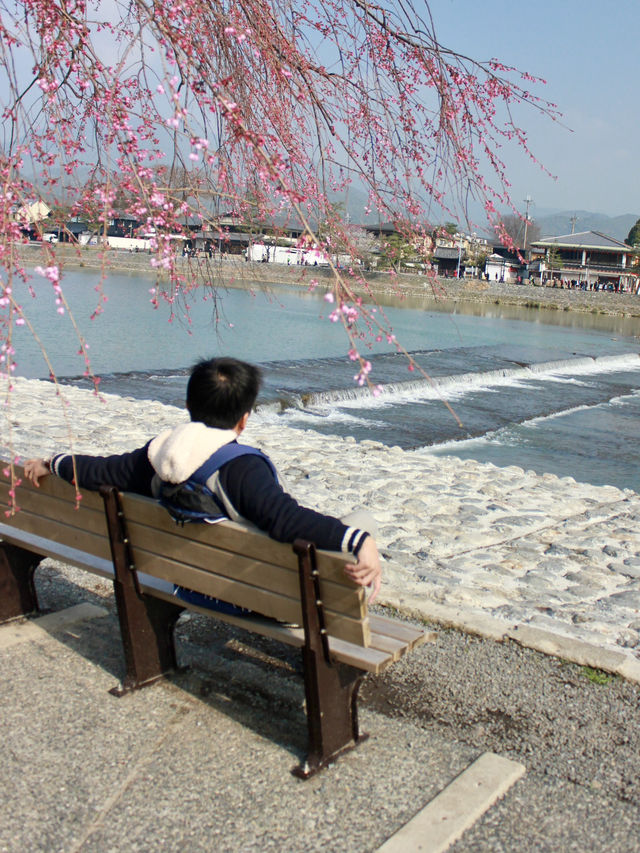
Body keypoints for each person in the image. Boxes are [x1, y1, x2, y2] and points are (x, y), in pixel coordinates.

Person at [24, 357, 382, 605]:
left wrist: (51, 463)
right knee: (363, 522)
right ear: (244, 419)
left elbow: (98, 470)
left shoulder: (155, 457)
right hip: (254, 597)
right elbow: (285, 519)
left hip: (189, 583)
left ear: (188, 405)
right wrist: (359, 540)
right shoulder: (242, 469)